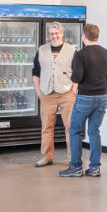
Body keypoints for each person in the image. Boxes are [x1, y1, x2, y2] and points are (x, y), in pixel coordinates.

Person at [60, 23, 107, 178]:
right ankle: (95, 168)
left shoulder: (81, 54)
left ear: (84, 37)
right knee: (94, 131)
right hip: (102, 97)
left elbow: (77, 78)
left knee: (75, 130)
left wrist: (70, 75)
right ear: (97, 36)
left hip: (85, 98)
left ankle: (76, 167)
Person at [32, 22, 77, 167]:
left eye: (56, 33)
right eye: (51, 33)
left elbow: (78, 72)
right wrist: (38, 91)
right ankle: (47, 156)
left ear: (62, 34)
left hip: (66, 92)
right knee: (46, 126)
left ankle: (72, 158)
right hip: (47, 92)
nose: (54, 36)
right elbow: (35, 72)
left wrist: (75, 88)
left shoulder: (71, 50)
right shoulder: (42, 49)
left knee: (70, 126)